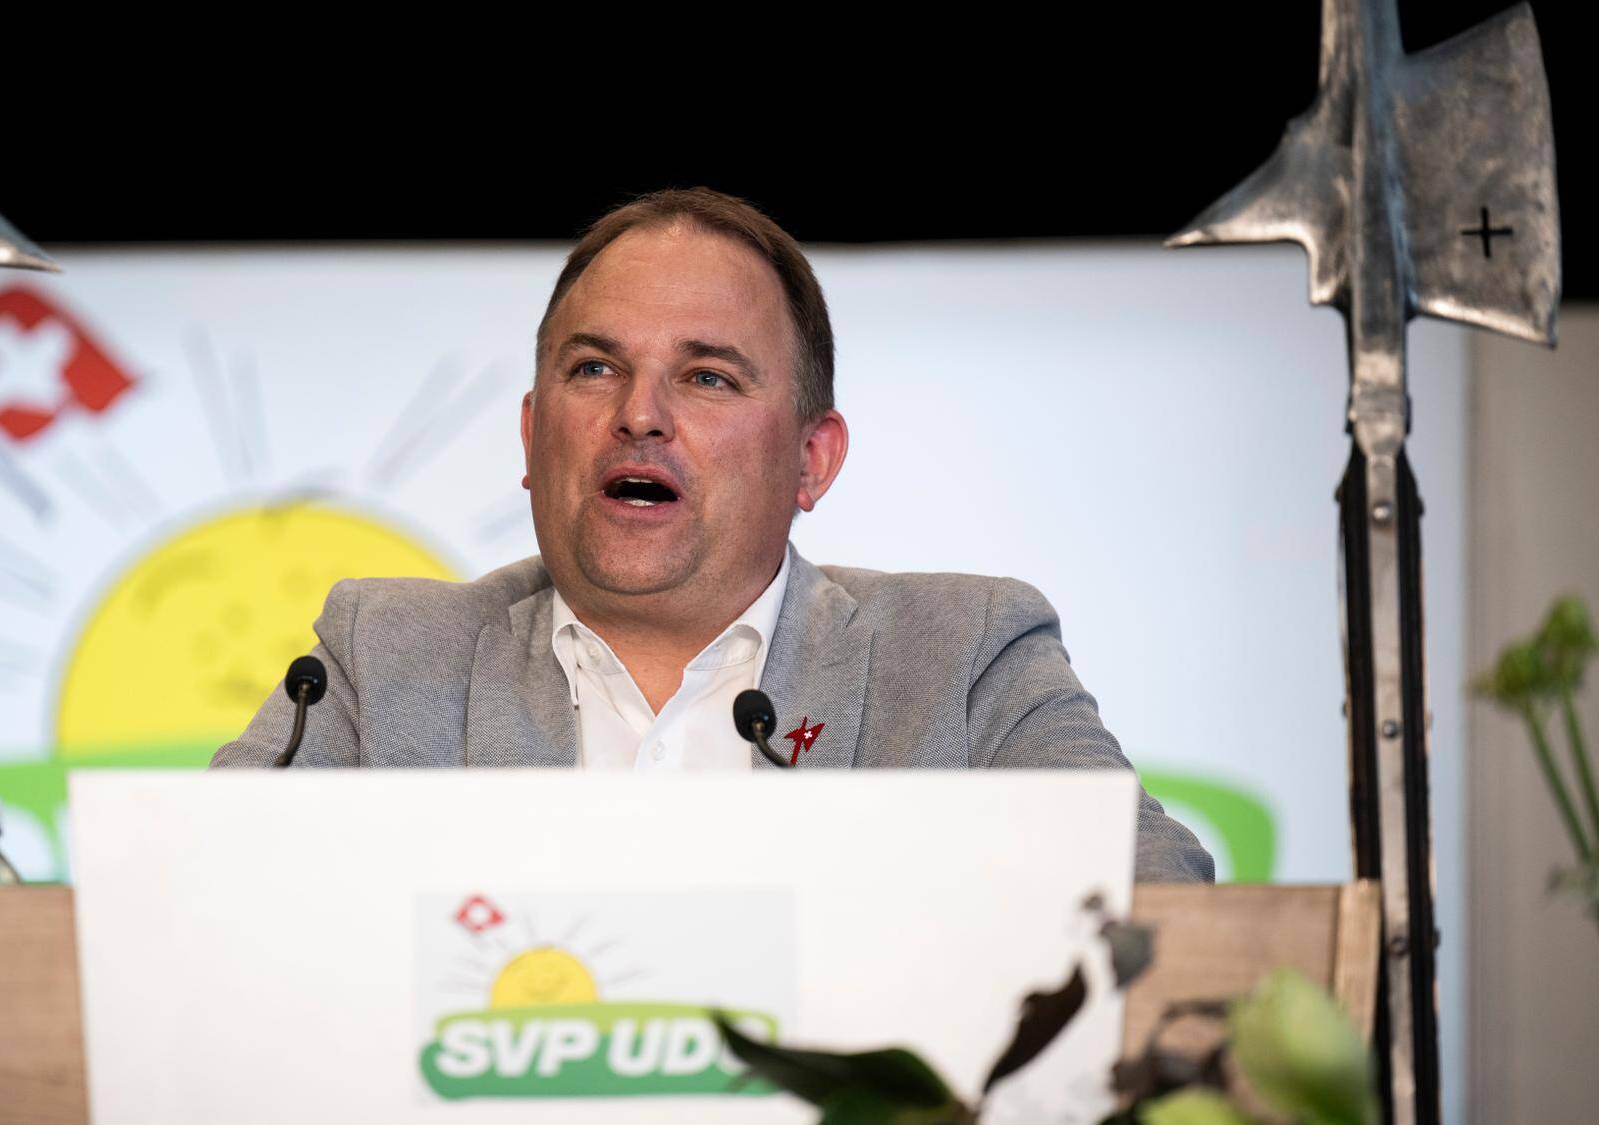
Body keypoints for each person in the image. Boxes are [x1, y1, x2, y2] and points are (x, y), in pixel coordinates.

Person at [211, 187, 1213, 883]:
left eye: (706, 377)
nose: (638, 414)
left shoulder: (960, 656)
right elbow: (189, 900)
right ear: (530, 434)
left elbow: (1158, 903)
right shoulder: (381, 657)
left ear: (811, 460)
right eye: (594, 369)